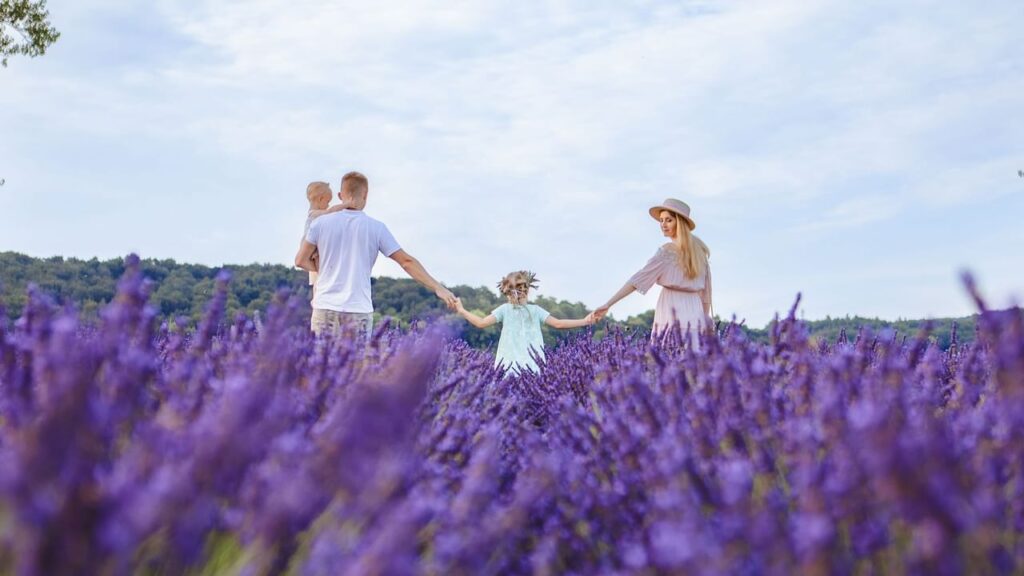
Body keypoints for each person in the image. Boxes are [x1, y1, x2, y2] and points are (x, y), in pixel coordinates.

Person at [294, 171, 457, 338]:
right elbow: (406, 262)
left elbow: (300, 260)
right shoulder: (376, 228)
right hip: (358, 310)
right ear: (365, 195)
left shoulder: (320, 223)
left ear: (340, 195)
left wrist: (322, 271)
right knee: (356, 364)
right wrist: (439, 288)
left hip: (324, 307)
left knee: (320, 364)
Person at [592, 198, 713, 347]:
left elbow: (637, 280)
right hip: (695, 312)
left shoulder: (667, 251)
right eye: (661, 220)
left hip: (671, 308)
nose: (663, 225)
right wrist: (705, 322)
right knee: (692, 364)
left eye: (668, 220)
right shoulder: (700, 253)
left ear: (679, 223)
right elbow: (706, 296)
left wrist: (608, 304)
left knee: (668, 361)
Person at [454, 270, 593, 374]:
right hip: (532, 368)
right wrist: (585, 321)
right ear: (527, 290)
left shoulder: (506, 310)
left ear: (507, 292)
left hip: (507, 368)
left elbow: (481, 323)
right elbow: (559, 324)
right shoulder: (535, 310)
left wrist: (462, 311)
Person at [301, 181, 354, 298]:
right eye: (327, 202)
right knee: (320, 278)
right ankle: (318, 297)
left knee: (319, 277)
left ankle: (319, 296)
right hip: (311, 248)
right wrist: (346, 204)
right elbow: (331, 211)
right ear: (320, 199)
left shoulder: (317, 214)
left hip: (315, 247)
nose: (328, 205)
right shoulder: (314, 214)